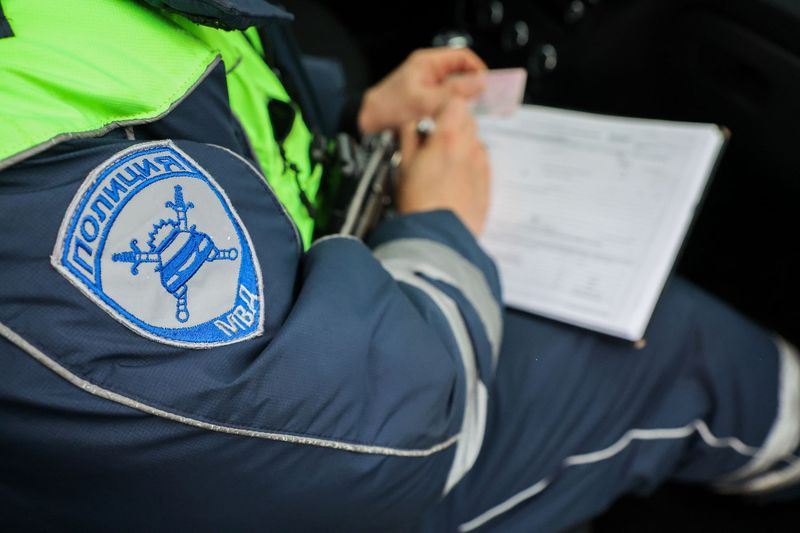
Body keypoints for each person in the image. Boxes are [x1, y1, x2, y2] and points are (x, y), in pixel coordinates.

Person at [0, 0, 797, 531]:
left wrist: (356, 131)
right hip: (350, 459)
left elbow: (216, 123)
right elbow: (389, 442)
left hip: (331, 354)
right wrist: (438, 229)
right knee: (673, 347)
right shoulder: (30, 189)